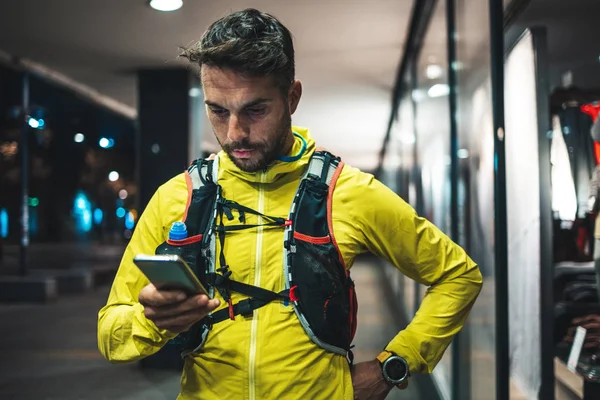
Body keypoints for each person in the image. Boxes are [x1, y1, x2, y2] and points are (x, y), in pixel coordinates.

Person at [97, 8, 482, 400]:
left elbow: (458, 275)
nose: (235, 134)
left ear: (292, 97)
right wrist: (155, 322)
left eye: (255, 110)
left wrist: (395, 364)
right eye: (218, 110)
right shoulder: (176, 197)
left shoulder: (348, 192)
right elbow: (111, 335)